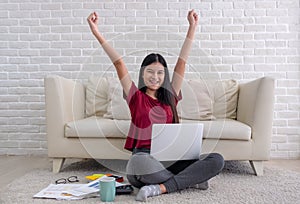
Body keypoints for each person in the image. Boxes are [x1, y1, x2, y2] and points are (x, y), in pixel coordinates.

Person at [87, 10, 224, 202]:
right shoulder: (135, 97)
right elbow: (119, 63)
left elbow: (181, 64)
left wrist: (192, 28)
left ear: (165, 76)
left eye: (160, 73)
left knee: (216, 160)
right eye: (150, 72)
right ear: (143, 74)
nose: (154, 77)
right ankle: (191, 181)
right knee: (138, 163)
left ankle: (160, 188)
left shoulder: (170, 97)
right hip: (144, 160)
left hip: (171, 159)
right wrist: (96, 32)